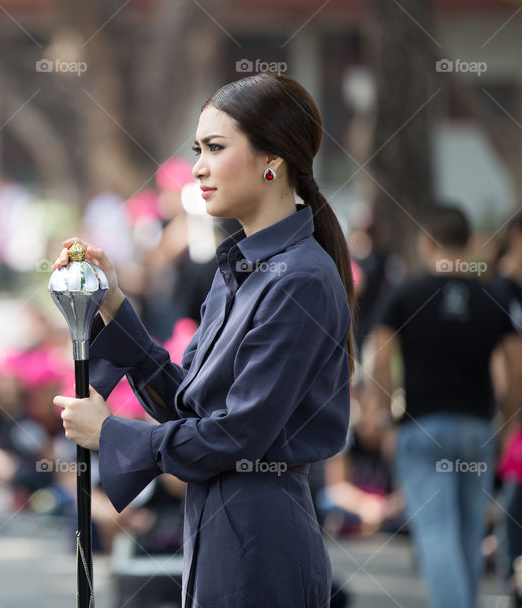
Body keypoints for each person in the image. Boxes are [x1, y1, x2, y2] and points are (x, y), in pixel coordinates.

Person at [53, 72, 355, 606]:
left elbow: (240, 434)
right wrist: (115, 308)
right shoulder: (238, 269)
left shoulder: (302, 279)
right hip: (215, 525)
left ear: (273, 160)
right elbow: (191, 408)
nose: (197, 168)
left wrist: (113, 436)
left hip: (264, 537)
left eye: (215, 148)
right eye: (198, 149)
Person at [370, 204, 522, 608]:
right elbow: (516, 361)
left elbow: (380, 356)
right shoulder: (492, 297)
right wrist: (508, 424)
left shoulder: (405, 294)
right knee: (469, 536)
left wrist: (383, 418)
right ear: (470, 243)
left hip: (422, 428)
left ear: (427, 242)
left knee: (436, 533)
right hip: (477, 430)